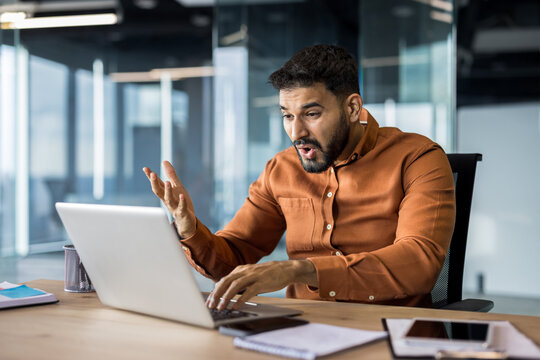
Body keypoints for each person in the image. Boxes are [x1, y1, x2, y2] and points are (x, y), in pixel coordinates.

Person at [143, 44, 455, 312]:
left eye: (311, 114)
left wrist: (300, 271)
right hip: (302, 332)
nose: (296, 133)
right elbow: (233, 260)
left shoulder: (418, 158)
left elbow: (419, 261)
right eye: (287, 116)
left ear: (352, 107)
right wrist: (189, 228)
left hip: (391, 336)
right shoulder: (281, 170)